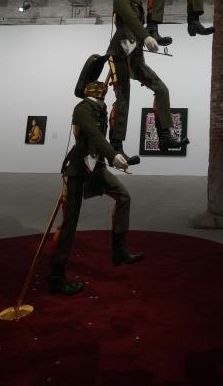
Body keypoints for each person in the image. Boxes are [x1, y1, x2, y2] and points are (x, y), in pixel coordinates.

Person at [47, 54, 144, 296]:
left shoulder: (99, 108)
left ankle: (119, 248)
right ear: (90, 90)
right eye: (98, 88)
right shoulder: (83, 109)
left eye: (104, 89)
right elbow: (95, 136)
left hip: (96, 167)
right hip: (78, 168)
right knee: (70, 223)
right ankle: (57, 274)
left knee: (123, 196)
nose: (103, 89)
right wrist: (113, 156)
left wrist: (106, 59)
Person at [106, 0, 188, 155]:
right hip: (118, 54)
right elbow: (131, 22)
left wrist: (149, 38)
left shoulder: (136, 3)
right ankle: (116, 146)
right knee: (123, 97)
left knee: (161, 89)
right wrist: (146, 37)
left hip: (134, 56)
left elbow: (137, 27)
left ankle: (164, 136)